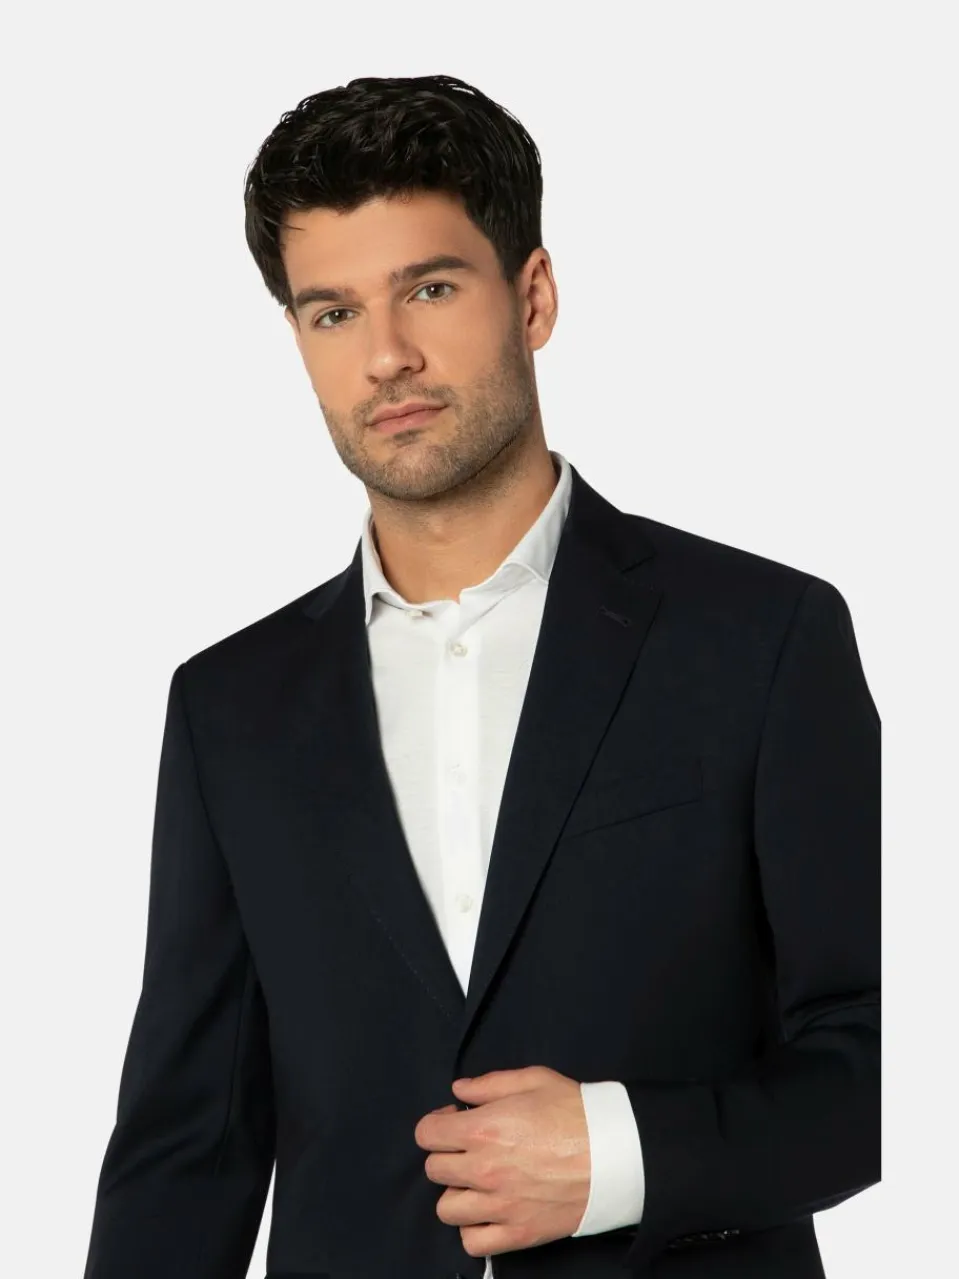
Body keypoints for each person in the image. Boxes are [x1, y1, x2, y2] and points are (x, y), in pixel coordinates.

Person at [82, 74, 880, 1279]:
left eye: (430, 288)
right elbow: (187, 1148)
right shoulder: (229, 708)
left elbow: (884, 1054)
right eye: (332, 312)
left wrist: (622, 1152)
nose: (385, 356)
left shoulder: (762, 637)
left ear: (533, 295)